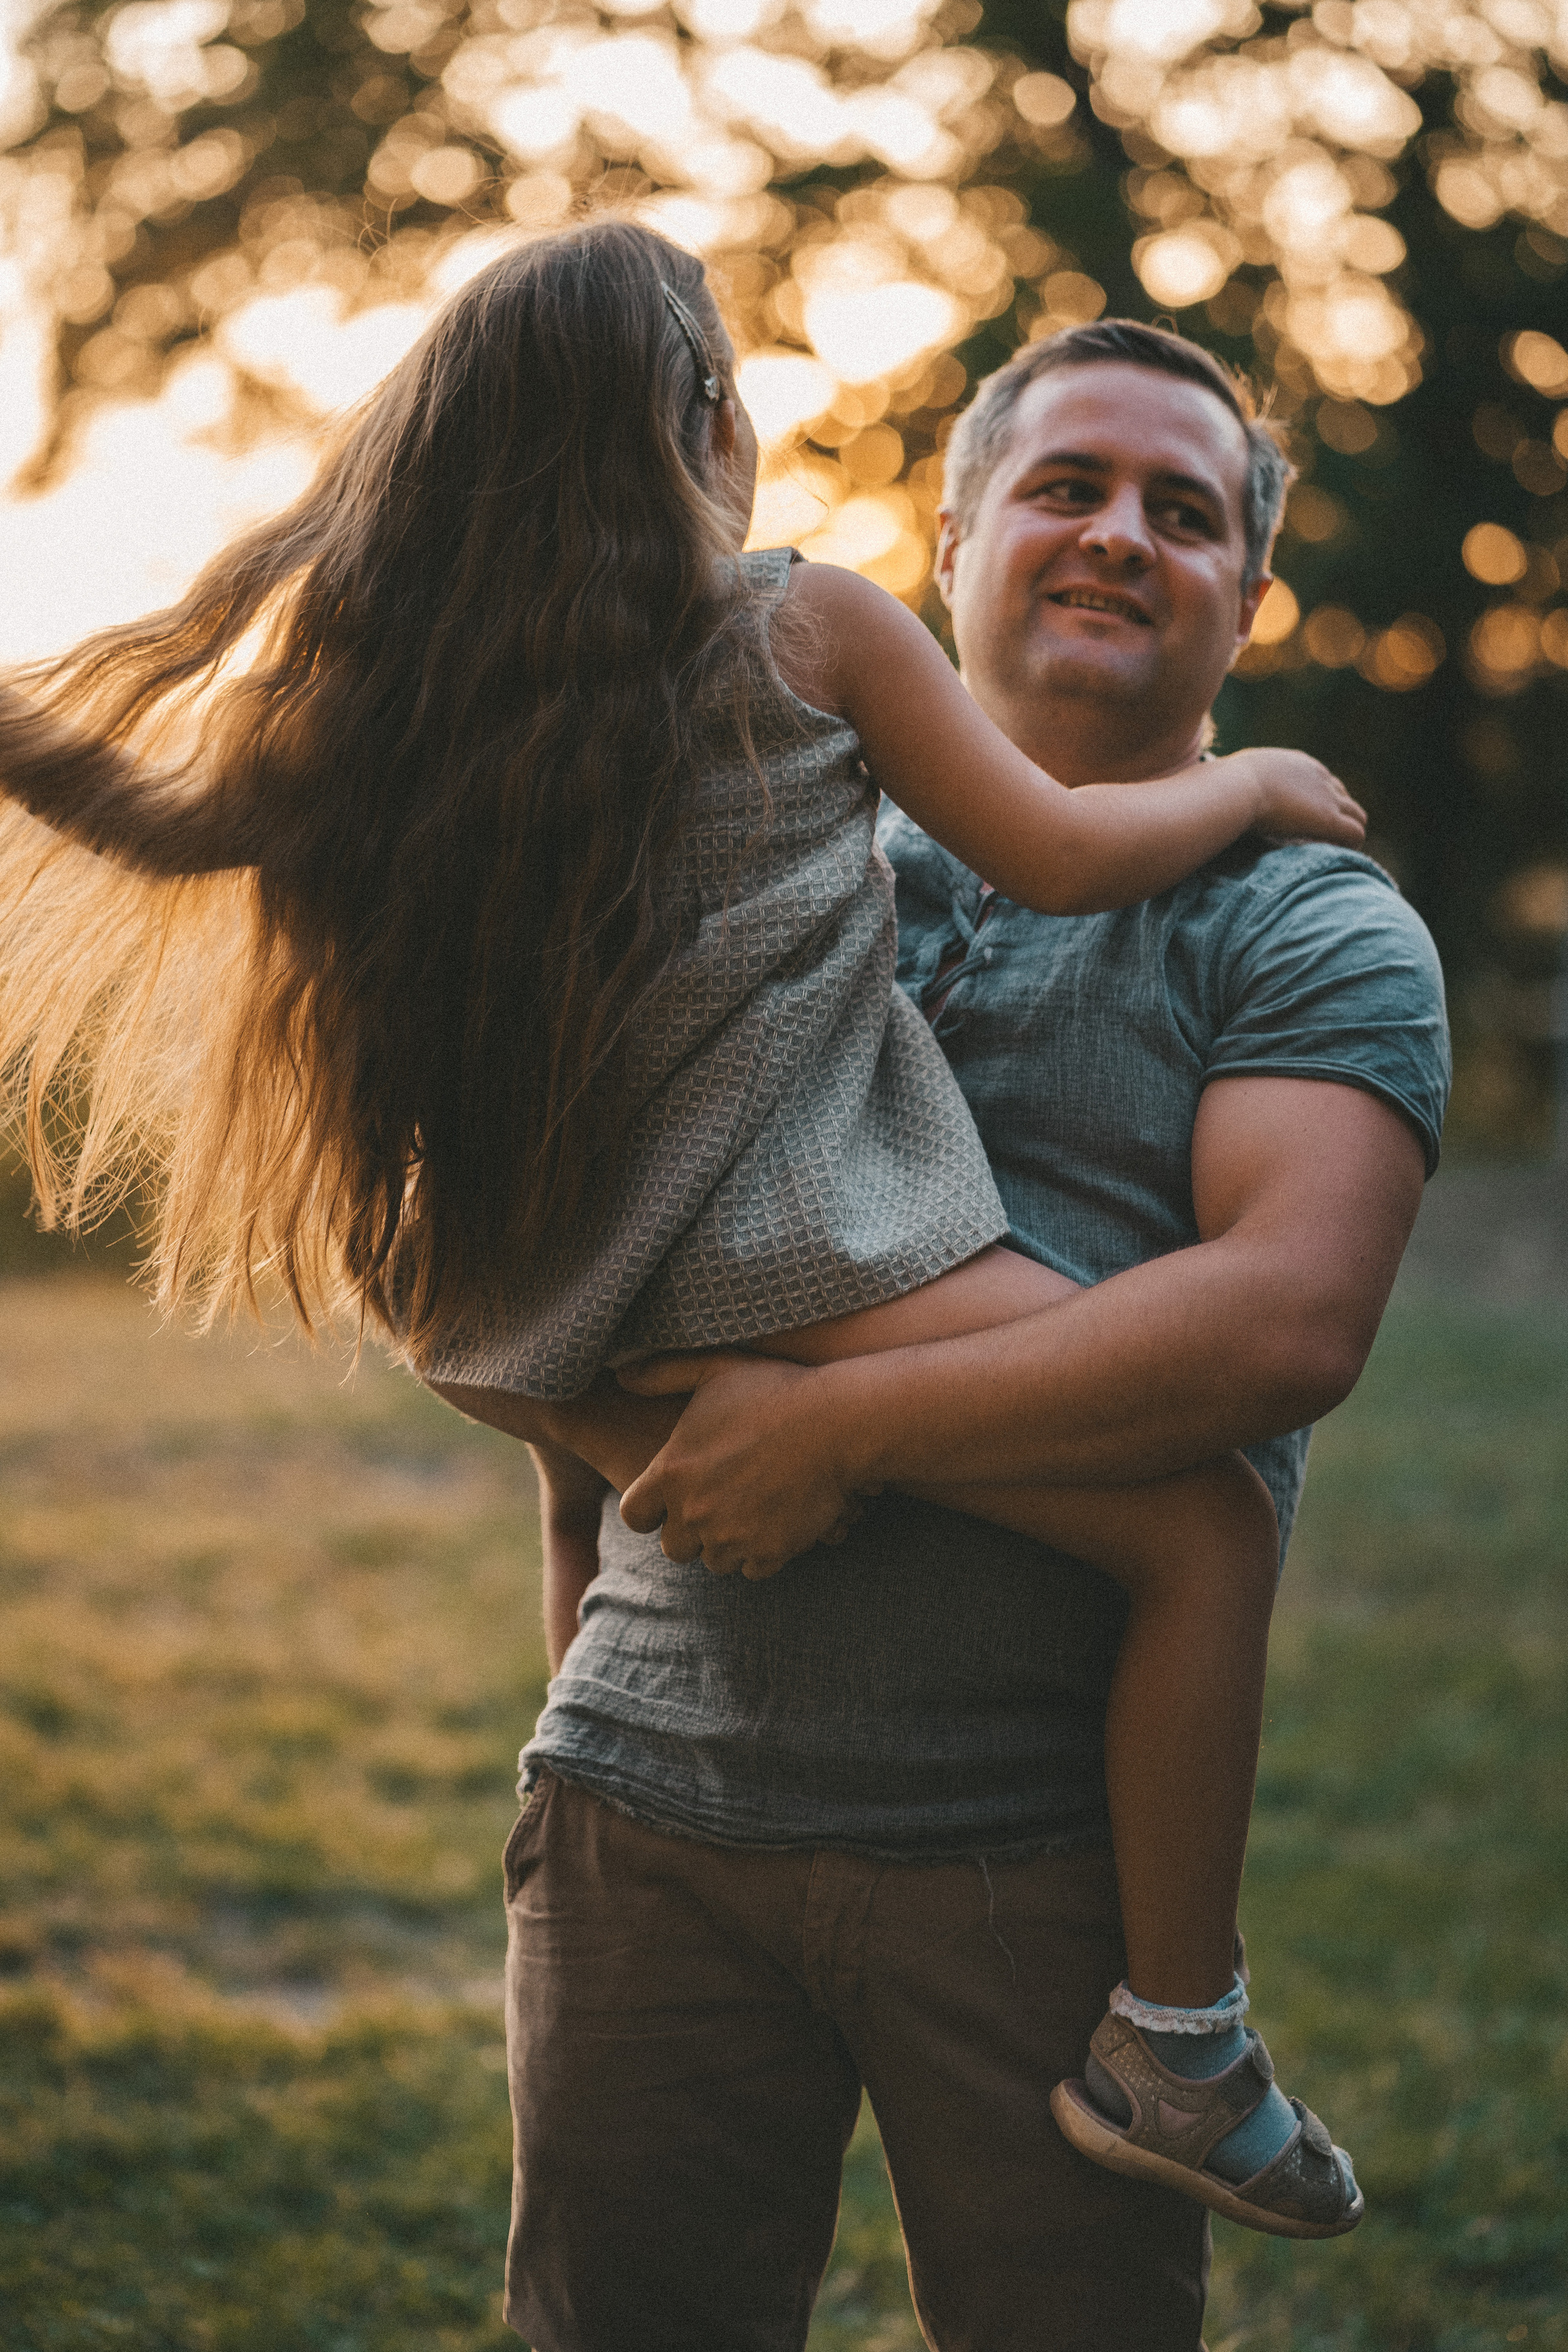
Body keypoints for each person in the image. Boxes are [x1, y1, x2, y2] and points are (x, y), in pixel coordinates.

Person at [483, 322, 1449, 2348]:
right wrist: (574, 1673)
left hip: (1033, 1874)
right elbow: (601, 1247)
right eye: (1069, 486)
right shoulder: (760, 856)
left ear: (1245, 595)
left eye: (1184, 512)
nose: (1119, 536)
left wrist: (839, 1434)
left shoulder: (1309, 921)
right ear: (950, 533)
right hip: (643, 1824)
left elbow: (1284, 1321)